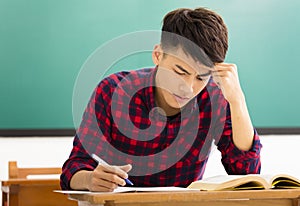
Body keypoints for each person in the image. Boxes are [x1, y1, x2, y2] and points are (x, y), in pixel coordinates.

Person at [60, 7, 262, 192]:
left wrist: (238, 100)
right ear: (158, 55)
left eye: (201, 77)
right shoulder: (112, 91)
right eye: (179, 72)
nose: (188, 87)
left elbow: (247, 173)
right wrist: (90, 179)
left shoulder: (216, 97)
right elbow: (75, 168)